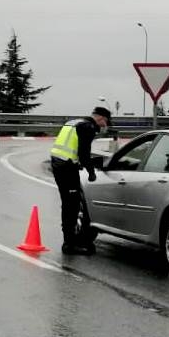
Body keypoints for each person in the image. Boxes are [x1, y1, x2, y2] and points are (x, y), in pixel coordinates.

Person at [50, 106, 111, 254]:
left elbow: (71, 148)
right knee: (72, 205)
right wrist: (91, 173)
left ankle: (70, 240)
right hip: (66, 167)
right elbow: (84, 154)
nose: (105, 126)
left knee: (68, 203)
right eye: (106, 122)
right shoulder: (88, 127)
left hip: (58, 163)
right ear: (101, 118)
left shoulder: (74, 122)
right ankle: (69, 244)